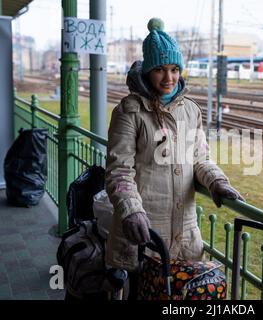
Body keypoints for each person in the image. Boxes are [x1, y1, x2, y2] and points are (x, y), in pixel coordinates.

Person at [105, 18, 245, 299]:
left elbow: (200, 159)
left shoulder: (191, 111)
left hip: (184, 231)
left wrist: (217, 181)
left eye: (174, 69)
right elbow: (119, 171)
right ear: (147, 71)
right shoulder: (129, 112)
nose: (169, 78)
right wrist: (132, 211)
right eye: (159, 69)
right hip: (144, 234)